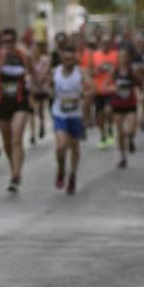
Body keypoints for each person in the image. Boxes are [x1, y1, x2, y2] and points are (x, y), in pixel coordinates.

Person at [0, 28, 33, 193]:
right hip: (2, 103)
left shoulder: (23, 56)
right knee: (7, 142)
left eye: (10, 41)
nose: (7, 45)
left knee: (16, 138)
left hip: (20, 103)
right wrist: (2, 62)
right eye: (4, 42)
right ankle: (13, 167)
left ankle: (16, 174)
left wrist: (35, 84)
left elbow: (32, 73)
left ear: (15, 41)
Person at [50, 44, 92, 195]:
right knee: (61, 145)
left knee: (74, 147)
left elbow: (90, 89)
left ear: (75, 58)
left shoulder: (82, 72)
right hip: (60, 113)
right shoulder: (55, 72)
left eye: (71, 58)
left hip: (76, 115)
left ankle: (72, 175)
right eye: (66, 58)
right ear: (62, 58)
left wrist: (86, 95)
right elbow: (48, 88)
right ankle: (61, 169)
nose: (69, 61)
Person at [109, 48, 139, 169]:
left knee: (130, 129)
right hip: (118, 105)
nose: (123, 59)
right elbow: (106, 84)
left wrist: (141, 95)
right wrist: (113, 88)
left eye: (125, 56)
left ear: (128, 58)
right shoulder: (114, 71)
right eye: (120, 56)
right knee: (120, 133)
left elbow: (140, 84)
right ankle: (122, 157)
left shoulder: (132, 71)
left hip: (131, 104)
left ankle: (131, 139)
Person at [91, 35, 118, 150]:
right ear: (100, 44)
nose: (105, 45)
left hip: (110, 89)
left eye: (107, 43)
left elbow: (119, 70)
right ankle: (102, 136)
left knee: (108, 111)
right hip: (98, 90)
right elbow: (90, 71)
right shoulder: (95, 55)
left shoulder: (115, 55)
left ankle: (110, 128)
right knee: (99, 115)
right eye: (103, 43)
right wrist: (96, 70)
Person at [29, 41, 51, 144]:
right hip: (33, 88)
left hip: (42, 88)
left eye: (36, 49)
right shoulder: (29, 61)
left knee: (40, 110)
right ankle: (32, 134)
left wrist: (40, 80)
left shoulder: (45, 59)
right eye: (32, 50)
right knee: (32, 111)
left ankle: (42, 124)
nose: (34, 52)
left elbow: (46, 71)